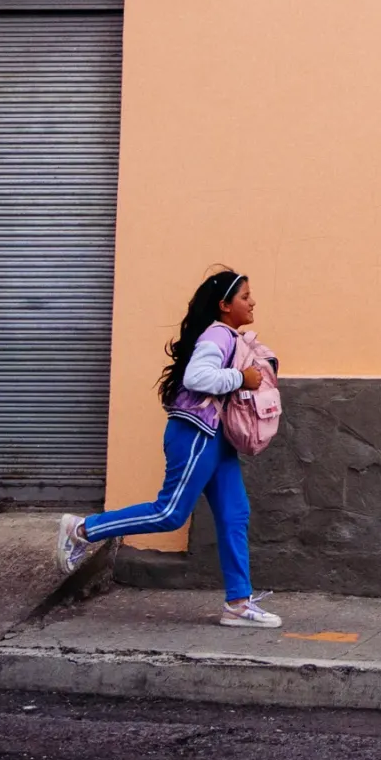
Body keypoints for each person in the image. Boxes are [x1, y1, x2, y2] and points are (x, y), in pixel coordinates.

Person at [54, 269, 281, 628]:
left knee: (234, 514)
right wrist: (242, 378)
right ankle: (82, 529)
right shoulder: (217, 335)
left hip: (218, 438)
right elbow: (196, 377)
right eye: (245, 297)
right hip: (195, 434)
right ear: (224, 306)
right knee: (170, 513)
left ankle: (238, 603)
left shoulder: (229, 336)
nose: (252, 302)